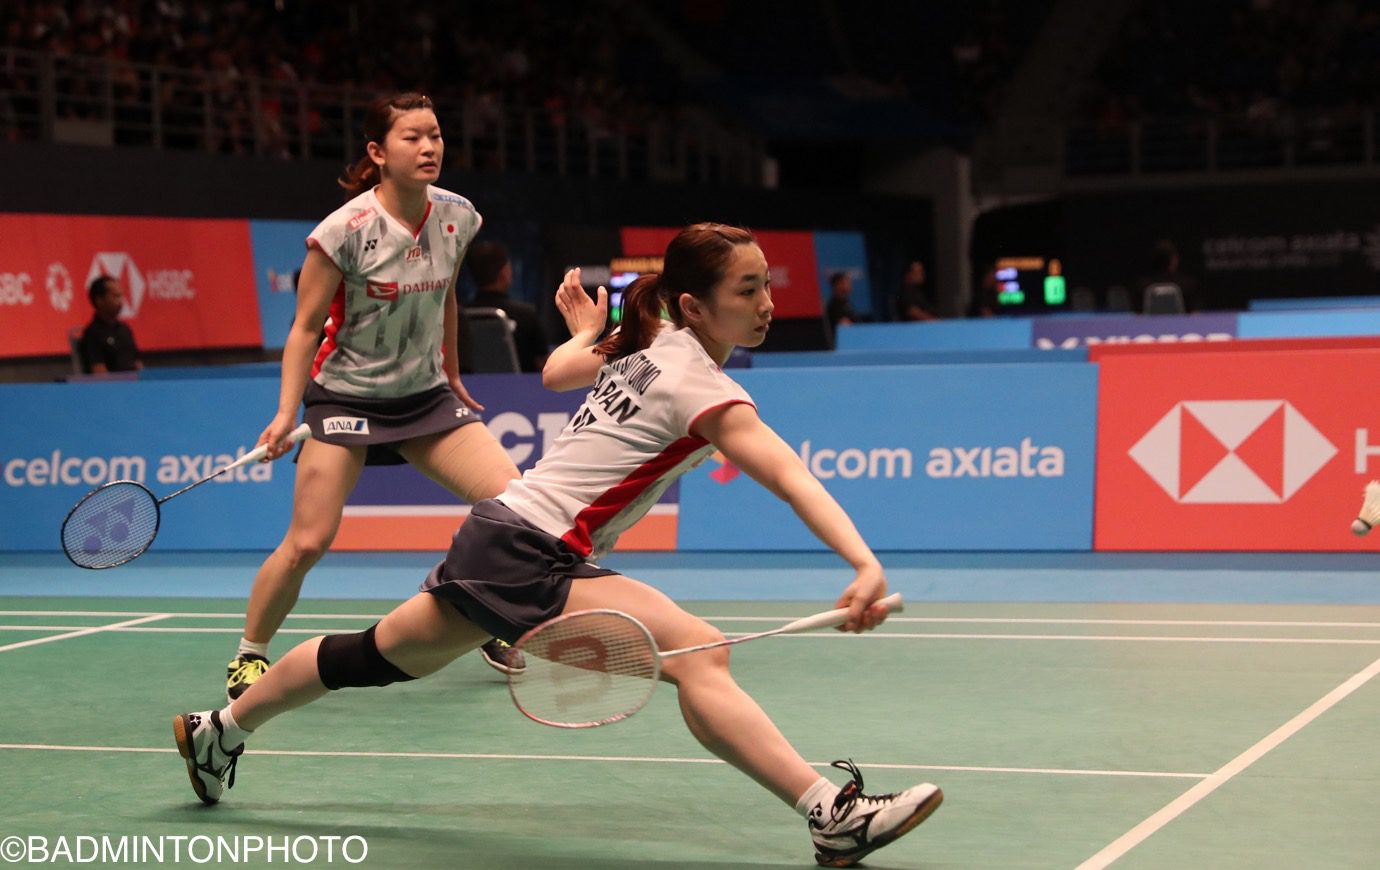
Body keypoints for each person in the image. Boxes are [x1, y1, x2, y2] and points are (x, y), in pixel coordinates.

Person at [174, 223, 943, 868]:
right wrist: (863, 562)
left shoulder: (651, 342)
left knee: (372, 654)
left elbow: (554, 373)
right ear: (693, 305)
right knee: (699, 652)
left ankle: (220, 731)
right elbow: (787, 473)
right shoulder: (701, 385)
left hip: (500, 533)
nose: (767, 303)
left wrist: (583, 334)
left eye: (767, 284)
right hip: (531, 549)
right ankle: (829, 815)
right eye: (747, 290)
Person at [224, 92, 526, 703]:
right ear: (378, 152)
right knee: (307, 541)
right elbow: (305, 328)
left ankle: (485, 618)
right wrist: (286, 412)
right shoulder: (343, 232)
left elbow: (444, 295)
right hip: (346, 400)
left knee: (516, 508)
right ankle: (250, 654)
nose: (428, 147)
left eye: (434, 135)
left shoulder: (458, 216)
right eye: (412, 137)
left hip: (425, 399)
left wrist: (452, 372)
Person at [462, 240, 550, 372]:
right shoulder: (526, 316)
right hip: (522, 385)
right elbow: (544, 365)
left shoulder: (460, 317)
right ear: (504, 273)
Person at [78, 275, 142, 373]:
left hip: (134, 381)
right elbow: (99, 372)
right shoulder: (92, 334)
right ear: (99, 300)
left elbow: (138, 364)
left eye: (121, 296)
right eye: (115, 296)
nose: (120, 301)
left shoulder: (125, 330)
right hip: (113, 382)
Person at [1136, 239, 1200, 314]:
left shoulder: (1143, 285)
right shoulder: (1187, 284)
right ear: (1173, 260)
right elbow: (1195, 314)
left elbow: (1137, 315)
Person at [824, 271, 857, 345]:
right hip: (841, 343)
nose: (849, 285)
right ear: (837, 285)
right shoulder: (833, 305)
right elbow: (844, 326)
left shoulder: (847, 304)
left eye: (849, 283)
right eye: (845, 283)